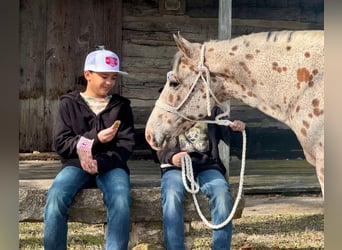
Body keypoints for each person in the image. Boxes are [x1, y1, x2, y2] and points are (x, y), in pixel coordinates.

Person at [44, 48, 135, 250]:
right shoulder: (68, 104)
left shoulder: (121, 106)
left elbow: (126, 146)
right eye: (104, 76)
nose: (110, 82)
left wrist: (100, 163)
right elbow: (61, 143)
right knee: (56, 196)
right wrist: (94, 139)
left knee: (121, 198)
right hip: (75, 165)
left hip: (111, 165)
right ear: (88, 75)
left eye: (113, 77)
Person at [156, 94, 246, 249]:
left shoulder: (212, 111)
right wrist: (171, 157)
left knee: (222, 194)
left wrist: (237, 129)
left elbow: (232, 139)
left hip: (207, 166)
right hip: (175, 167)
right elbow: (155, 145)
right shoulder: (164, 113)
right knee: (171, 193)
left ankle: (221, 247)